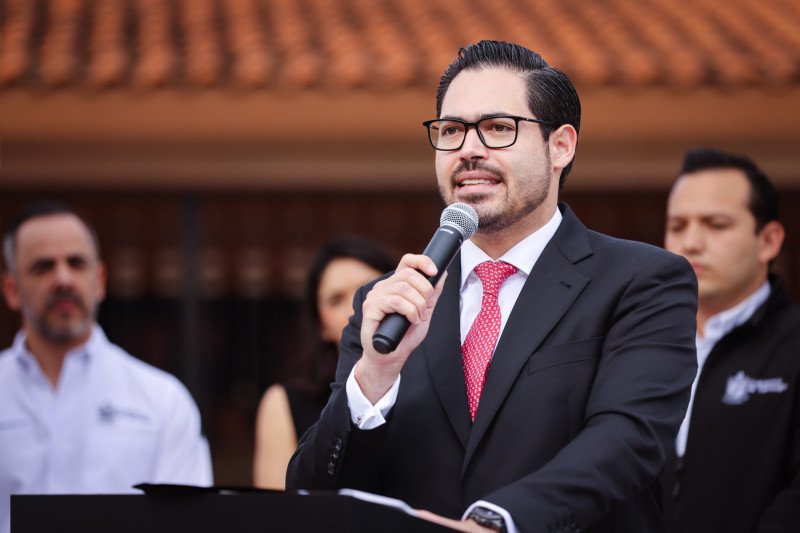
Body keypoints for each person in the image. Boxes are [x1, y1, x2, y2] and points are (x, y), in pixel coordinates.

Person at [286, 40, 698, 532]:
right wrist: (374, 378)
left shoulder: (642, 281)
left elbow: (628, 439)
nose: (468, 150)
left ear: (561, 145)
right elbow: (311, 491)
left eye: (499, 128)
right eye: (452, 130)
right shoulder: (391, 304)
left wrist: (498, 521)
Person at [0, 201, 212, 533]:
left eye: (76, 263)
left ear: (99, 280)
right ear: (11, 290)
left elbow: (189, 524)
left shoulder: (162, 401)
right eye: (43, 267)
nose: (63, 279)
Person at [662, 148, 800, 532]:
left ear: (769, 241)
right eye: (677, 226)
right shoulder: (638, 345)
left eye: (716, 225)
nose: (690, 242)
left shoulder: (792, 347)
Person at [253, 236, 394, 490]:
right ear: (320, 326)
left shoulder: (434, 385)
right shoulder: (285, 403)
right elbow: (276, 513)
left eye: (368, 289)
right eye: (335, 299)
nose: (356, 307)